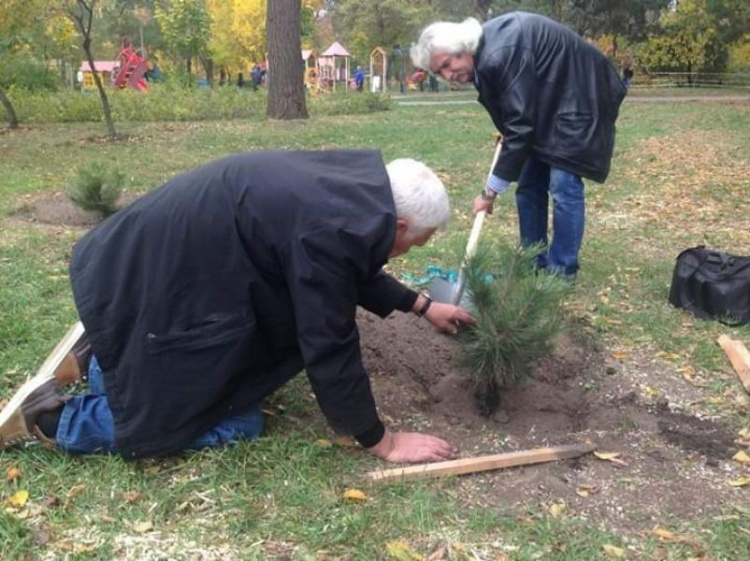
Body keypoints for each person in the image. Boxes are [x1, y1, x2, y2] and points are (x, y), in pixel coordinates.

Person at [0, 150, 475, 464]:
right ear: (400, 224)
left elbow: (349, 265)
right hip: (161, 284)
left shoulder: (353, 190)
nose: (407, 253)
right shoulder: (335, 230)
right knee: (236, 421)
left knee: (194, 365)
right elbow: (328, 343)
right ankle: (56, 421)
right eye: (415, 243)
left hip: (148, 266)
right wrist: (382, 441)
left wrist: (420, 304)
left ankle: (106, 360)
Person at [411, 12, 627, 279]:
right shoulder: (485, 54)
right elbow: (515, 111)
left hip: (582, 93)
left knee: (563, 184)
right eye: (439, 72)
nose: (448, 75)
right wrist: (508, 129)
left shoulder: (498, 53)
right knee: (528, 185)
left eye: (446, 64)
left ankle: (560, 273)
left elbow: (521, 126)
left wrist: (489, 191)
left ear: (462, 49)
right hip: (549, 100)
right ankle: (532, 262)